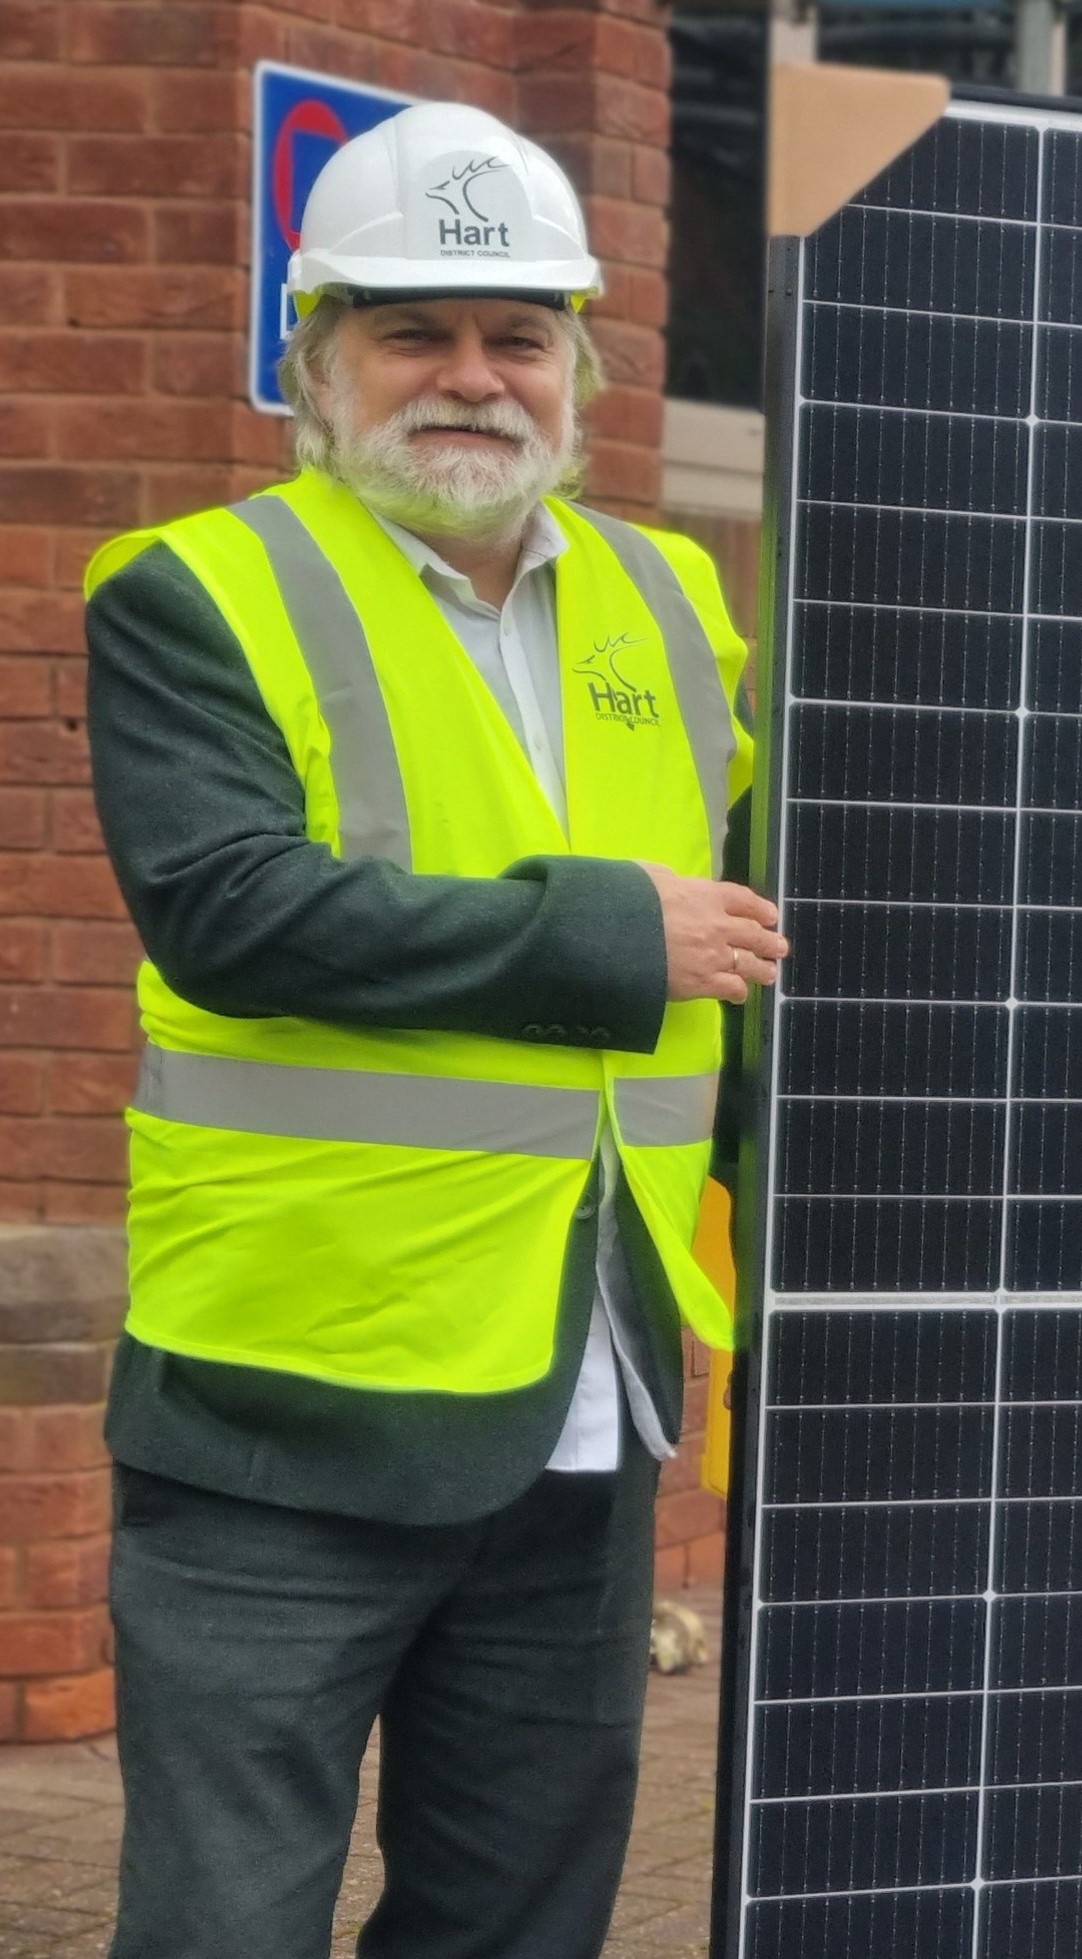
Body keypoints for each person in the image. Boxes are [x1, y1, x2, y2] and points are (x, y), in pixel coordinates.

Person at [81, 103, 789, 1956]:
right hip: (286, 1422)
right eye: (415, 332)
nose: (472, 378)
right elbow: (227, 908)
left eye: (517, 335)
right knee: (227, 1925)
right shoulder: (196, 593)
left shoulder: (676, 599)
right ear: (315, 362)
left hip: (590, 1392)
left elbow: (764, 959)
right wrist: (609, 932)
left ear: (577, 363)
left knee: (517, 1925)